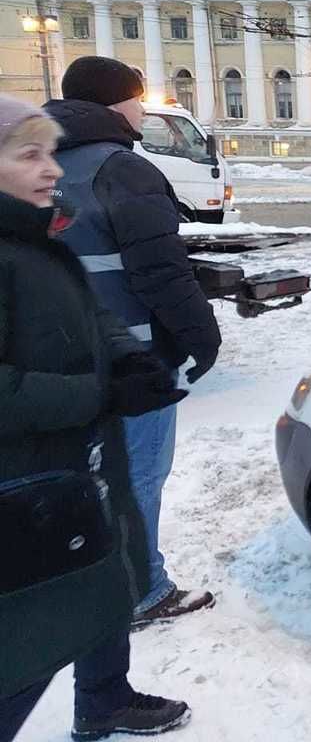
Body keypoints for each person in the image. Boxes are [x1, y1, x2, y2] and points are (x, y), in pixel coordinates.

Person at [0, 95, 191, 742]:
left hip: (73, 470)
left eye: (48, 151)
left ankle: (105, 697)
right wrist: (96, 395)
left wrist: (131, 359)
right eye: (29, 154)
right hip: (25, 487)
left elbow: (88, 314)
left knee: (108, 582)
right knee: (35, 636)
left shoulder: (37, 236)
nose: (52, 169)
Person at [45, 58, 220, 627]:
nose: (142, 110)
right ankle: (143, 588)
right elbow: (161, 272)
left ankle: (81, 577)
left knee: (85, 474)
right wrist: (202, 337)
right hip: (133, 356)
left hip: (61, 361)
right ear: (115, 104)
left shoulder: (36, 162)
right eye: (137, 99)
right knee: (138, 472)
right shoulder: (123, 168)